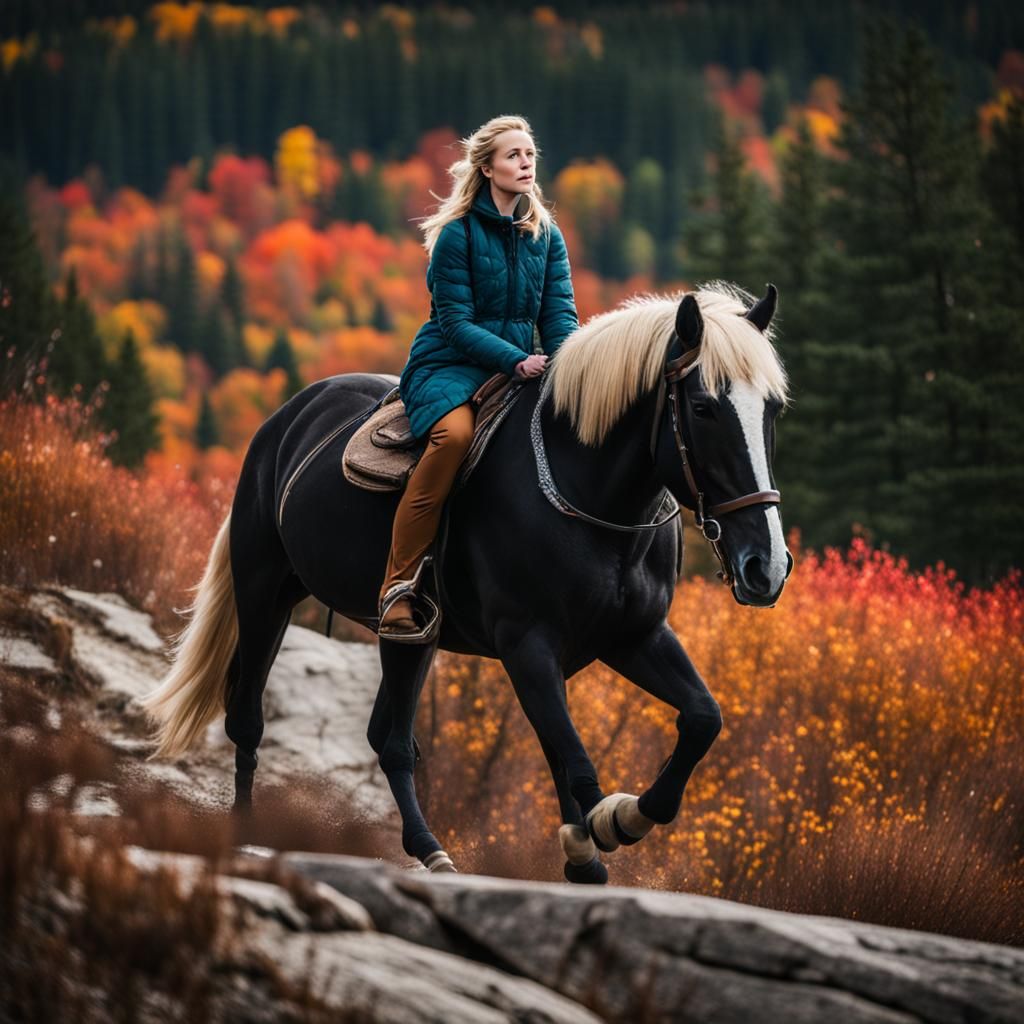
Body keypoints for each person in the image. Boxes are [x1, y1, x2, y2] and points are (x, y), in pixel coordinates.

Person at [378, 114, 579, 640]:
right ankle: (398, 586)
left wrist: (567, 369)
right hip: (449, 362)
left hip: (521, 366)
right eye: (514, 155)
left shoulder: (546, 236)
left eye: (530, 154)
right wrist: (515, 360)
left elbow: (559, 317)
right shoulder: (455, 235)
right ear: (487, 167)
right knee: (454, 437)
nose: (526, 163)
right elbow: (456, 323)